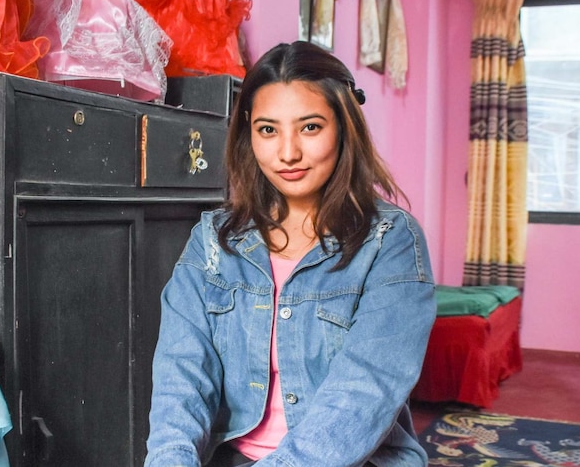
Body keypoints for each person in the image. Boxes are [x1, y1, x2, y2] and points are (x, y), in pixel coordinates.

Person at [144, 40, 436, 467]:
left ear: (343, 126)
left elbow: (364, 393)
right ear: (249, 134)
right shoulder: (213, 239)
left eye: (310, 127)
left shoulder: (390, 241)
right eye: (268, 129)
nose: (287, 153)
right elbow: (180, 376)